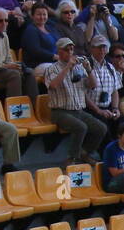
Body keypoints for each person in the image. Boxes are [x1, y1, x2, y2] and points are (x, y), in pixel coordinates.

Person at [39, 36, 105, 166]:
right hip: (60, 111)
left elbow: (92, 85)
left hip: (78, 110)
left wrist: (88, 69)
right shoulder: (51, 69)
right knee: (81, 127)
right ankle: (71, 158)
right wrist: (67, 67)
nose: (70, 52)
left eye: (71, 49)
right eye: (66, 50)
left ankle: (84, 153)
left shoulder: (79, 67)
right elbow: (52, 86)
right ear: (59, 51)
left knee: (101, 128)